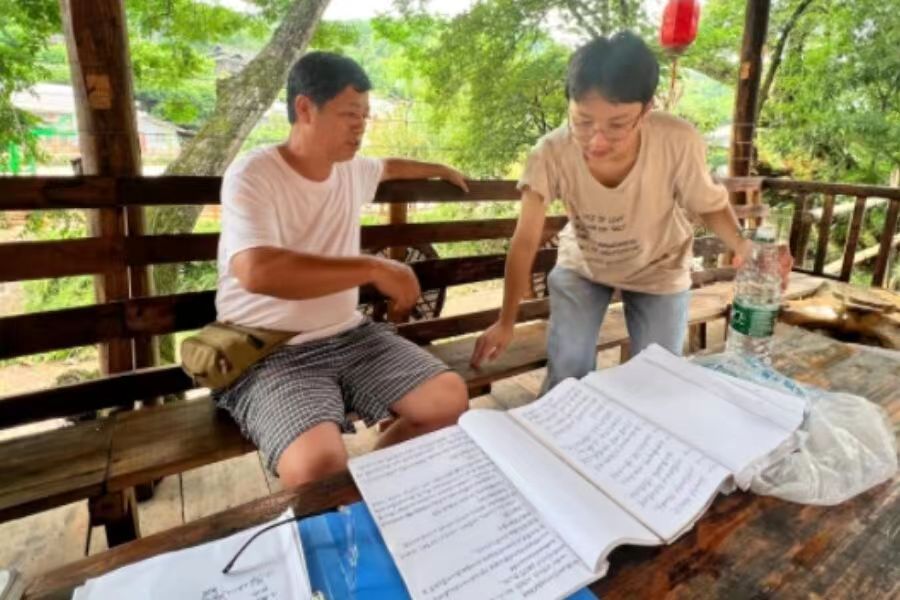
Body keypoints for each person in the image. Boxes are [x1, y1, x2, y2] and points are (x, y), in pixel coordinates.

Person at [470, 32, 790, 393]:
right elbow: (526, 239)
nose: (597, 141)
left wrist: (744, 246)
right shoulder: (550, 152)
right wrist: (506, 321)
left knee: (659, 376)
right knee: (568, 369)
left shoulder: (677, 140)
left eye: (617, 125)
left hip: (660, 265)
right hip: (585, 264)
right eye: (583, 121)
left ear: (647, 109)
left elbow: (709, 204)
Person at [215, 51, 469, 488]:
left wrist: (438, 168)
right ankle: (344, 495)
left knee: (449, 401)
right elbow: (257, 271)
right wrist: (372, 268)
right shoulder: (254, 173)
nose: (361, 126)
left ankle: (365, 489)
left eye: (365, 116)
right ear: (305, 108)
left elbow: (389, 167)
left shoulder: (350, 170)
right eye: (350, 114)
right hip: (271, 350)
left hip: (351, 336)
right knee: (317, 466)